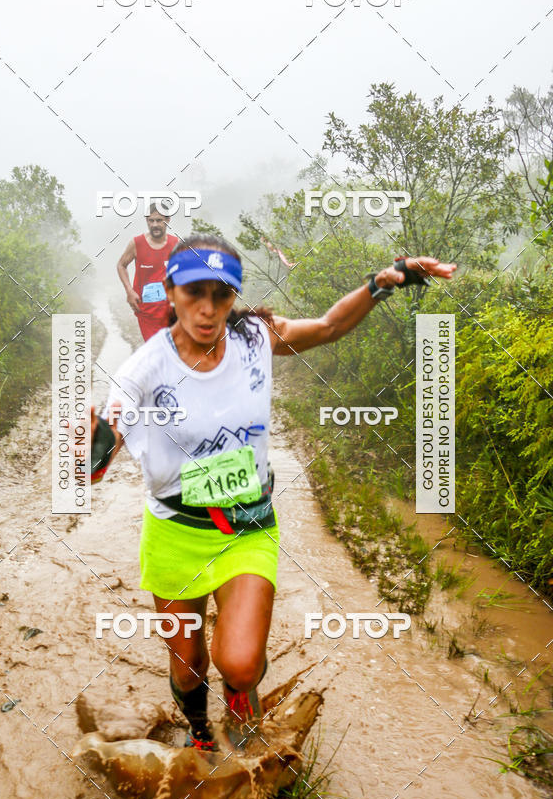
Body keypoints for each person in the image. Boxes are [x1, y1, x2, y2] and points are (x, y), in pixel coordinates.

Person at [91, 234, 456, 751]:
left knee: (237, 663)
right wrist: (93, 447)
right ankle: (200, 731)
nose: (208, 308)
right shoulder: (144, 369)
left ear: (234, 296)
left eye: (222, 294)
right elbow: (108, 431)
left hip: (247, 526)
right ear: (170, 290)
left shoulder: (253, 338)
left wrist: (381, 282)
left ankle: (241, 692)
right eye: (194, 292)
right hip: (175, 532)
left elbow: (328, 327)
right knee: (190, 666)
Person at [116, 202, 178, 342]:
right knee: (156, 350)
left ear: (168, 220)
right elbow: (121, 265)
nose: (154, 224)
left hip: (170, 310)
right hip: (146, 310)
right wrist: (129, 291)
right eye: (151, 220)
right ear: (147, 221)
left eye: (159, 220)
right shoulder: (137, 243)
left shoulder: (176, 244)